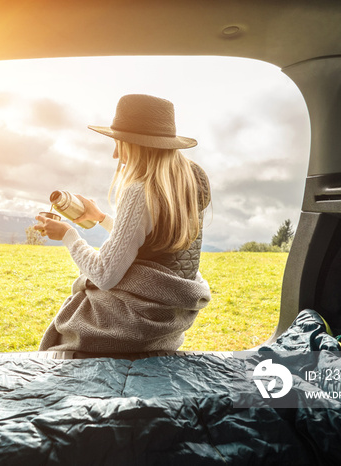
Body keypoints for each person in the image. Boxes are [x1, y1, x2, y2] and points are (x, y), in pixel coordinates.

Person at [34, 94, 211, 354]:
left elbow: (105, 274)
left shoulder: (141, 190)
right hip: (167, 323)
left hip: (133, 323)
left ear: (139, 144)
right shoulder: (186, 179)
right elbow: (154, 241)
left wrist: (68, 234)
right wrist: (101, 219)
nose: (116, 154)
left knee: (65, 326)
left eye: (120, 143)